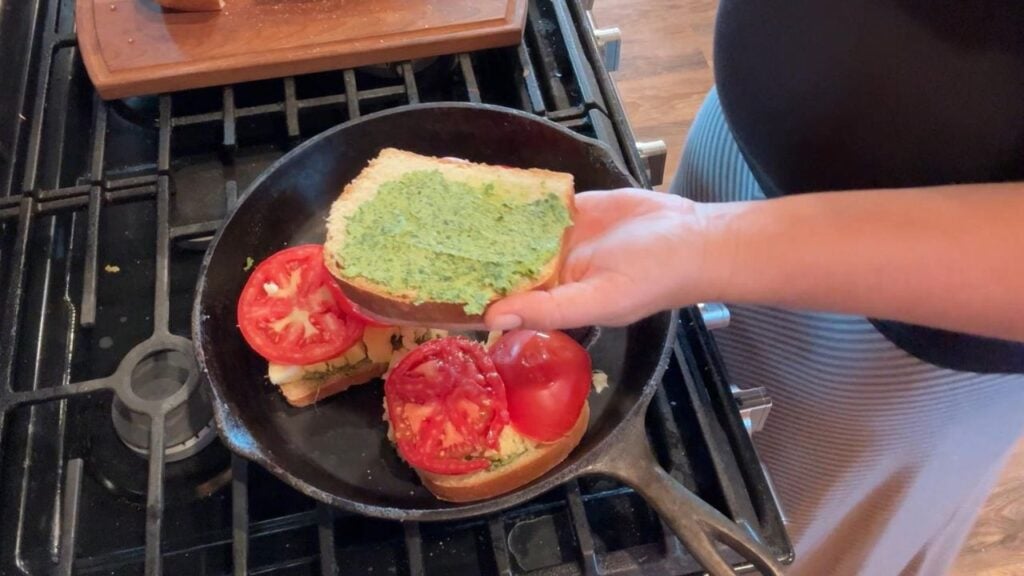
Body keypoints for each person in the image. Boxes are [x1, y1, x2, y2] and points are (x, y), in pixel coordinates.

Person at [485, 2, 1024, 575]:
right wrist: (701, 234)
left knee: (779, 536)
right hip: (723, 168)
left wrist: (709, 245)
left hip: (900, 325)